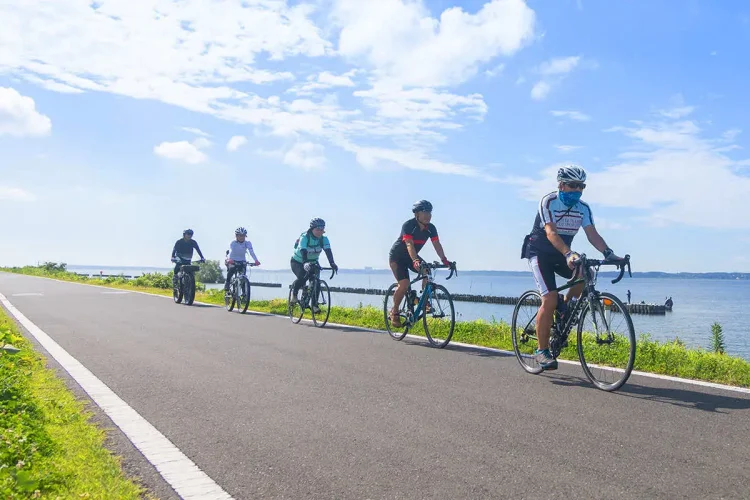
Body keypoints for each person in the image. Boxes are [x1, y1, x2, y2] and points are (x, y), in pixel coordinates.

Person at [521, 164, 624, 370]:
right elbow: (550, 232)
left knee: (585, 272)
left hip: (562, 252)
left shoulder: (583, 208)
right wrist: (568, 253)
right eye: (573, 185)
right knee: (549, 298)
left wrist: (608, 253)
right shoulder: (548, 201)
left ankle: (564, 309)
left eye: (581, 186)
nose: (577, 190)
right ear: (561, 185)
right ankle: (541, 351)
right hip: (540, 252)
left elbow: (592, 234)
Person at [387, 200, 452, 327]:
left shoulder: (431, 228)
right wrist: (415, 260)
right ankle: (394, 311)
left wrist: (445, 260)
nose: (428, 215)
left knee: (427, 272)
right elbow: (409, 244)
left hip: (412, 257)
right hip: (397, 257)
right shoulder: (408, 225)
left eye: (430, 212)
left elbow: (437, 245)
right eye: (425, 212)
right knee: (404, 284)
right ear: (417, 214)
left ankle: (423, 303)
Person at [290, 218, 338, 313]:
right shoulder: (305, 237)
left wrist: (332, 263)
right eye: (318, 229)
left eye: (322, 229)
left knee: (316, 283)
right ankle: (294, 295)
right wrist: (305, 263)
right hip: (298, 261)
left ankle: (314, 305)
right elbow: (303, 251)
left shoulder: (323, 239)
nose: (320, 231)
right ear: (312, 229)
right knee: (302, 277)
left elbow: (328, 251)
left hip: (313, 262)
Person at [224, 227, 261, 293]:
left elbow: (251, 252)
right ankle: (227, 283)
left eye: (243, 236)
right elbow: (230, 251)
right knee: (231, 270)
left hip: (242, 261)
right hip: (232, 260)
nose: (242, 237)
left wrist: (256, 261)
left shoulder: (247, 243)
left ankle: (244, 295)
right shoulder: (233, 243)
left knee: (243, 277)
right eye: (240, 236)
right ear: (236, 236)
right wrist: (228, 259)